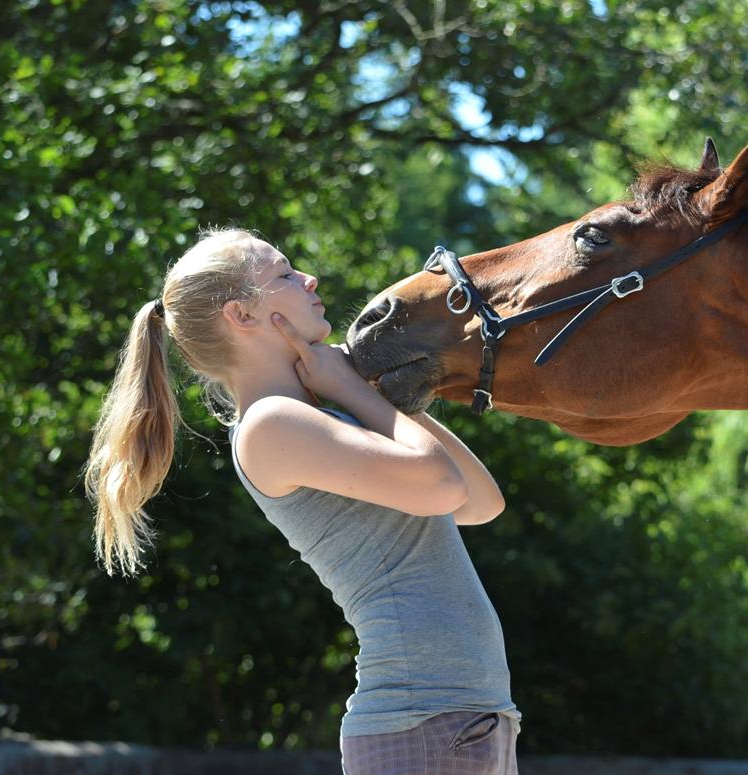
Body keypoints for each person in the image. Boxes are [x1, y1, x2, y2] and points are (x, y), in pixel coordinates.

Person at [84, 228, 520, 774]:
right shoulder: (269, 425)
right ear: (242, 315)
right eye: (286, 274)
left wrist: (372, 394)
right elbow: (444, 487)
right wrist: (354, 392)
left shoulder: (323, 417)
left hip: (456, 719)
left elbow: (480, 501)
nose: (310, 280)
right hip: (426, 720)